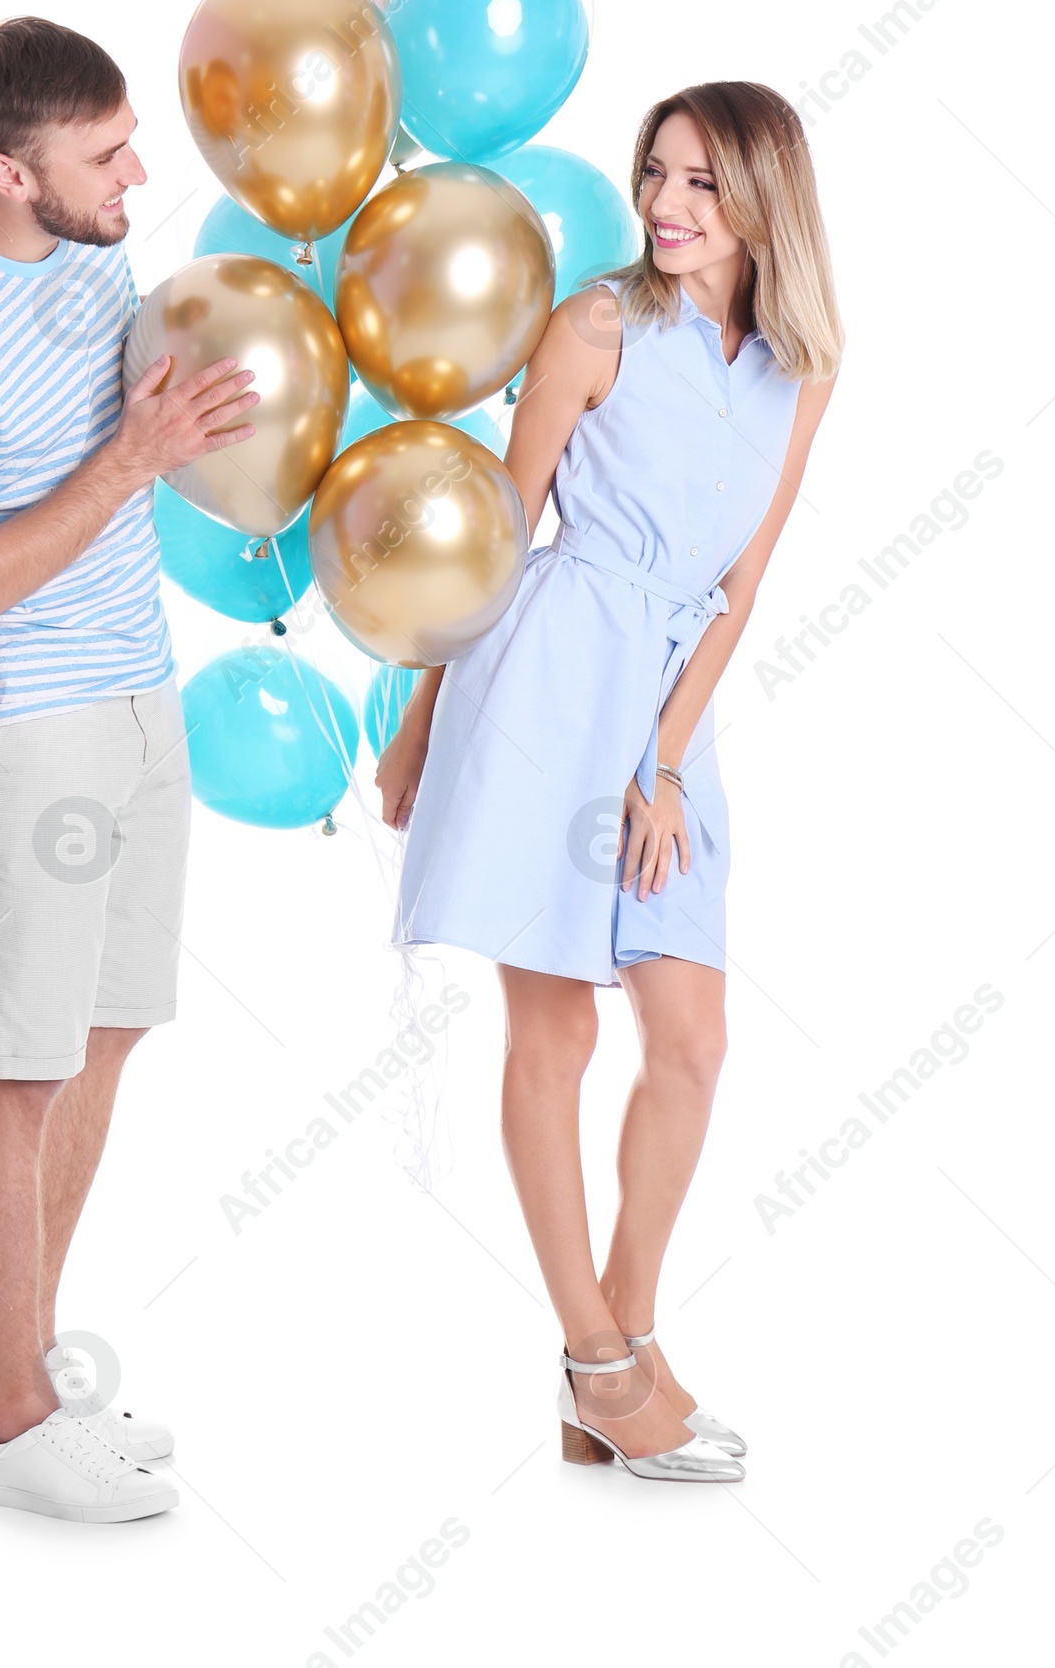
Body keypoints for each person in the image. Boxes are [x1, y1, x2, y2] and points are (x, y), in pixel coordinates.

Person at [377, 82, 842, 1482]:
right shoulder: (598, 322)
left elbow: (744, 586)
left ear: (766, 196)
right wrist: (417, 717)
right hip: (551, 675)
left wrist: (668, 762)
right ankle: (597, 1354)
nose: (667, 207)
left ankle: (618, 1355)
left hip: (665, 701)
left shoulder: (805, 365)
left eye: (702, 182)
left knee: (690, 1040)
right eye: (658, 175)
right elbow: (501, 537)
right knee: (561, 1036)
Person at [0, 17, 257, 1524]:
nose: (140, 176)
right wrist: (133, 463)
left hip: (135, 684)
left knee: (105, 1029)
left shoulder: (83, 251)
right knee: (15, 1062)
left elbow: (146, 404)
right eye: (106, 156)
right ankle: (17, 1435)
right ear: (7, 171)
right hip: (19, 718)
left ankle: (0, 1350)